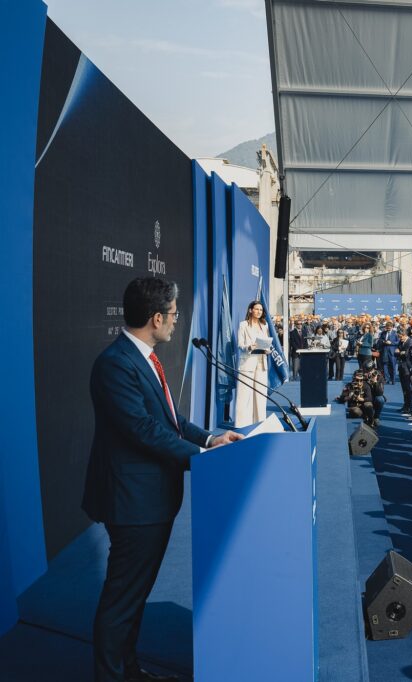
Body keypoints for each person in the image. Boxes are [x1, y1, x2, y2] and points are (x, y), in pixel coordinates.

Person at [83, 277, 243, 682]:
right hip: (133, 502)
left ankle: (128, 670)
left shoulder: (145, 357)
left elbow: (169, 421)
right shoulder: (116, 364)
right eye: (173, 314)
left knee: (134, 597)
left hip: (152, 500)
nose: (177, 321)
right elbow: (143, 430)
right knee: (122, 600)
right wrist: (204, 458)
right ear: (156, 318)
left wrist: (210, 437)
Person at [235, 300, 272, 428]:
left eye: (261, 310)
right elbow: (240, 345)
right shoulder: (243, 325)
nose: (258, 312)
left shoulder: (265, 325)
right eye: (256, 309)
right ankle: (241, 425)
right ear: (250, 310)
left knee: (260, 395)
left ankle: (260, 422)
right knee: (244, 394)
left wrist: (268, 349)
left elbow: (267, 342)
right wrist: (249, 347)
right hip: (247, 362)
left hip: (261, 363)